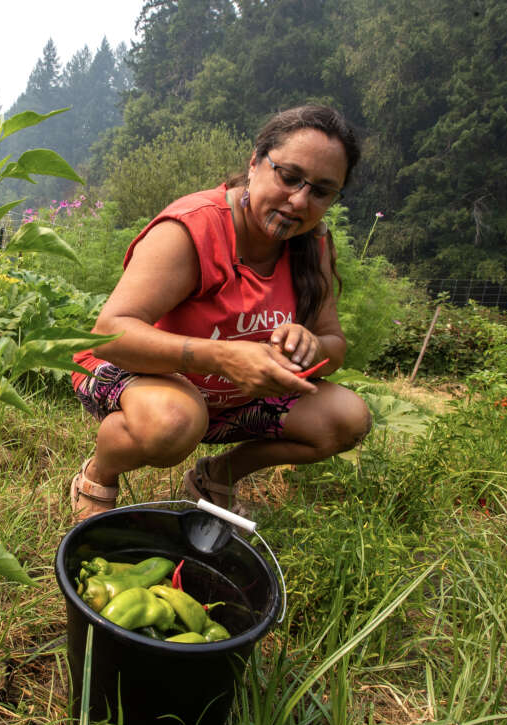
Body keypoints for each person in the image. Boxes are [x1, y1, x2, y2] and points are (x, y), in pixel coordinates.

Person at [68, 104, 372, 520]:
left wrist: (312, 343)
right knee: (173, 422)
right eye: (288, 177)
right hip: (142, 375)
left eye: (320, 191)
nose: (299, 200)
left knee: (347, 418)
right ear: (254, 163)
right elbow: (110, 334)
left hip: (232, 399)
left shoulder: (312, 244)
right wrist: (226, 356)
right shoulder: (194, 228)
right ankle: (99, 474)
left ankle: (218, 475)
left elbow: (334, 347)